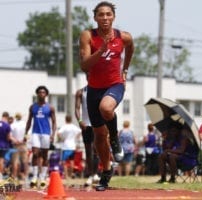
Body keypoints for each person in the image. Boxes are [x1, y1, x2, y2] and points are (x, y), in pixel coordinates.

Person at [79, 1, 134, 191]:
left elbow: (130, 48)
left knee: (106, 108)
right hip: (94, 89)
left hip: (115, 85)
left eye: (108, 14)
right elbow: (85, 65)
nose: (105, 18)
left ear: (113, 17)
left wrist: (125, 70)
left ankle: (115, 139)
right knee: (99, 137)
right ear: (95, 17)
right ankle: (106, 170)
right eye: (101, 15)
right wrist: (100, 52)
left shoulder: (123, 37)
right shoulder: (88, 36)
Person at [24, 85, 57, 189]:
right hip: (35, 133)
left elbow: (54, 122)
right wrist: (26, 132)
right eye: (40, 92)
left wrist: (53, 134)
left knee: (44, 155)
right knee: (35, 153)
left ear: (46, 94)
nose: (41, 94)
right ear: (37, 94)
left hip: (46, 134)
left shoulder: (50, 107)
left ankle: (43, 178)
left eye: (43, 92)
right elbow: (29, 120)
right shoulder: (32, 107)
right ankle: (34, 177)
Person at [75, 81, 100, 187]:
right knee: (88, 150)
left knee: (96, 149)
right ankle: (90, 174)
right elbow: (77, 108)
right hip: (86, 124)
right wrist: (80, 121)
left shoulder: (100, 90)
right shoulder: (81, 92)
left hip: (97, 123)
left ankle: (95, 174)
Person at [57, 115, 81, 179]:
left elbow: (58, 133)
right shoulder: (73, 127)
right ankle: (71, 174)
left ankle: (66, 175)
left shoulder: (64, 127)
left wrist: (62, 139)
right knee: (71, 161)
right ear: (71, 120)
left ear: (65, 119)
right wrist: (76, 138)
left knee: (64, 161)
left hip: (65, 145)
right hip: (72, 145)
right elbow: (80, 131)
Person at [10, 113, 29, 180]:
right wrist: (23, 140)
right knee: (25, 161)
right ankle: (26, 176)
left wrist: (16, 141)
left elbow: (10, 135)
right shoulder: (25, 124)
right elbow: (27, 134)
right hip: (23, 144)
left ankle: (14, 176)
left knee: (15, 161)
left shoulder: (13, 125)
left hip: (16, 144)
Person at [0, 112, 17, 180]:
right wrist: (16, 140)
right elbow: (8, 137)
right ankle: (1, 177)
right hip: (3, 145)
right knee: (1, 160)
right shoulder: (7, 125)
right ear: (7, 117)